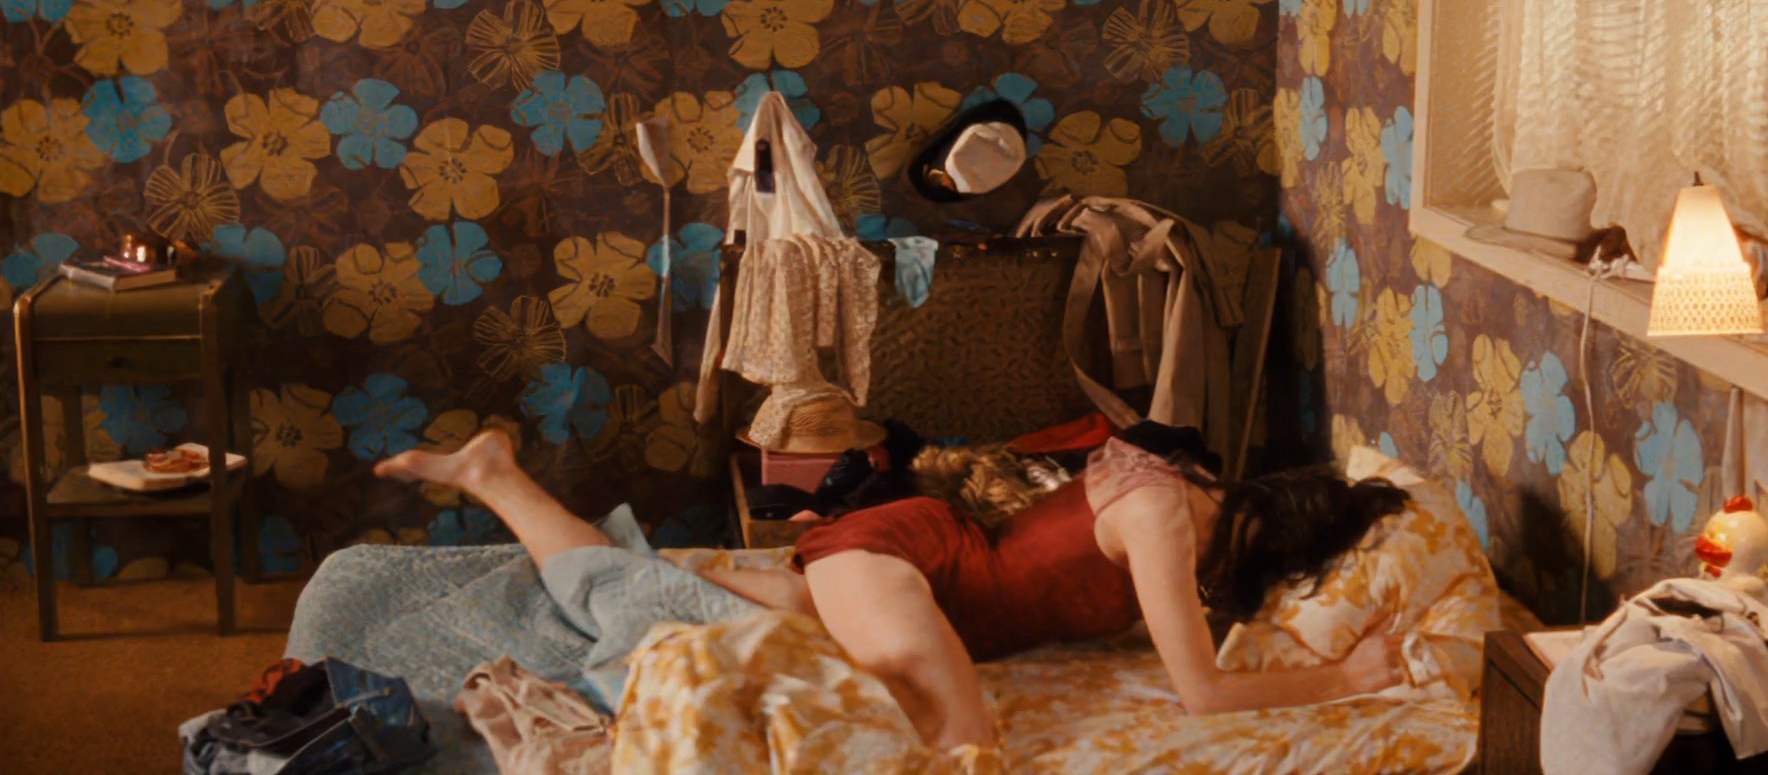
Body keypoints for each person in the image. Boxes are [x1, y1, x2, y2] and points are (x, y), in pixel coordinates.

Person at [347, 425, 1413, 752]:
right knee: (954, 737)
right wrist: (1349, 679)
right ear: (1273, 544)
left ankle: (497, 478)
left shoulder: (1169, 488)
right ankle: (511, 488)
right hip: (919, 566)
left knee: (646, 595)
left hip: (916, 573)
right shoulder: (1166, 520)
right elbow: (1202, 694)